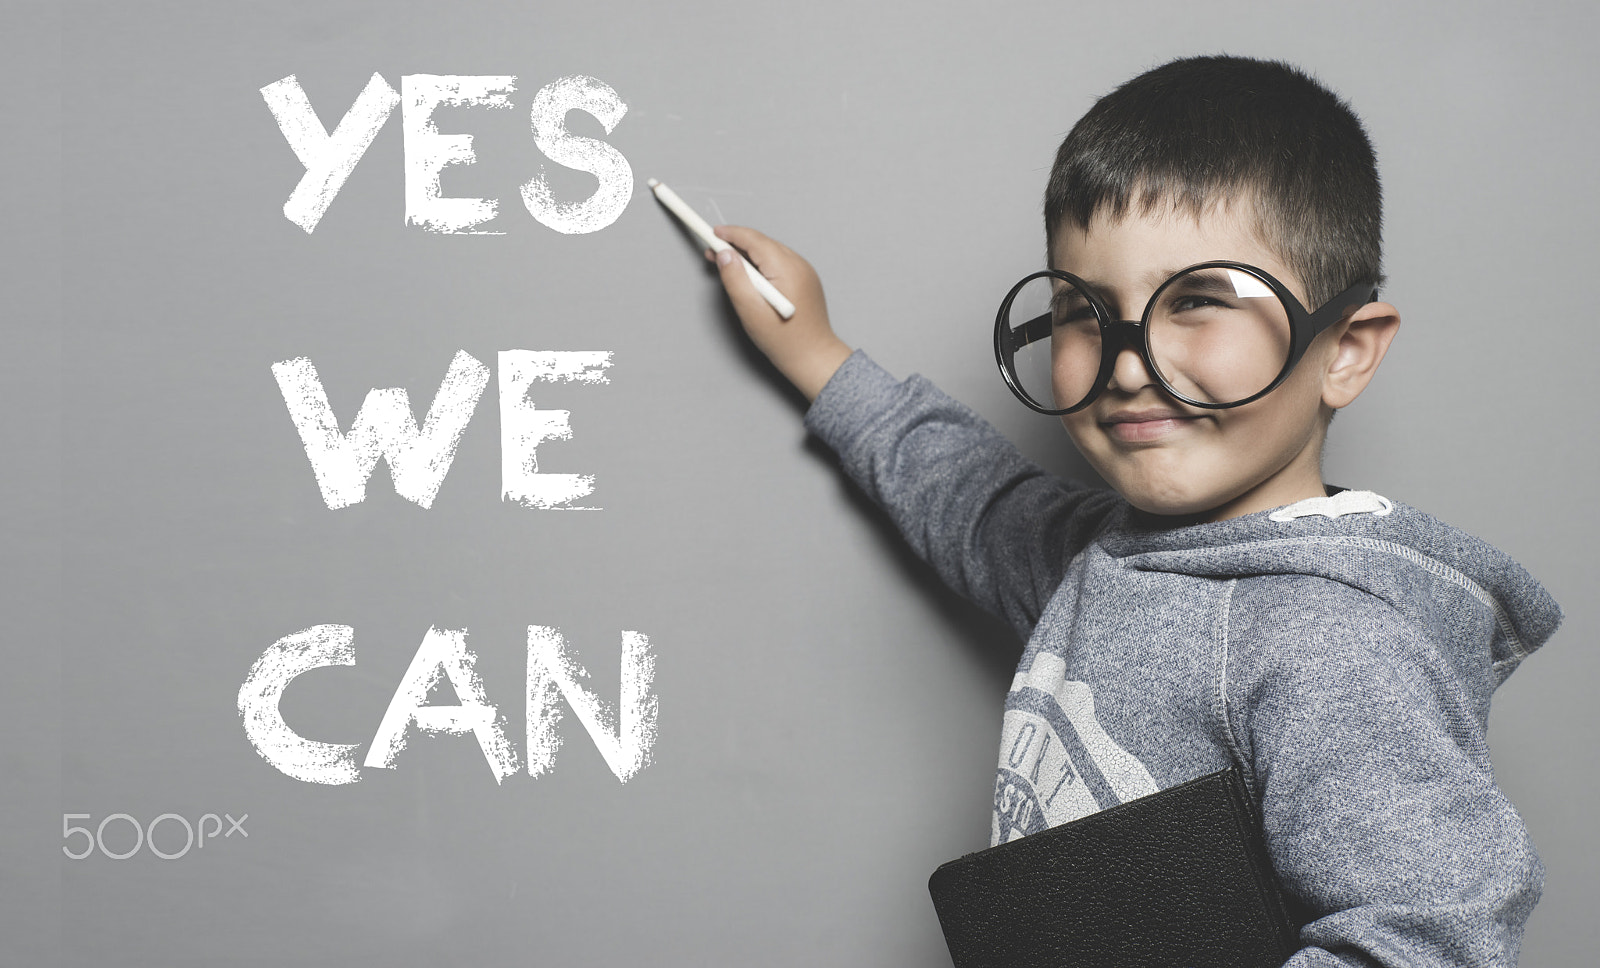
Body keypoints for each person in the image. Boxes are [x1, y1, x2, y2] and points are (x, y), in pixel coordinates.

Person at [699, 55, 1562, 966]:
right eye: (1081, 311)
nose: (1125, 363)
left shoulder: (1334, 645)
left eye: (1196, 301)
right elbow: (971, 500)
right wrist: (820, 355)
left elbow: (1428, 942)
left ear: (1345, 349)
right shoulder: (1107, 562)